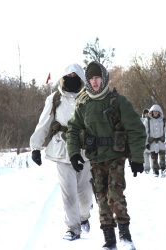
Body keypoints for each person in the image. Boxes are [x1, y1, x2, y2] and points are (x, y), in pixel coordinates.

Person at [66, 61, 146, 250]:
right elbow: (73, 129)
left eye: (97, 78)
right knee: (101, 197)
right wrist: (74, 153)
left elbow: (136, 129)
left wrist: (137, 158)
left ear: (104, 78)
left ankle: (125, 237)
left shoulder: (118, 101)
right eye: (91, 78)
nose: (94, 82)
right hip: (95, 158)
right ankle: (109, 240)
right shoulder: (84, 104)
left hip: (115, 156)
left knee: (114, 195)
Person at [30, 63, 93, 241]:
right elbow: (44, 122)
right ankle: (73, 228)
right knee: (69, 192)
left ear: (81, 79)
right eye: (69, 76)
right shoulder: (54, 98)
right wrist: (35, 147)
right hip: (62, 149)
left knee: (85, 193)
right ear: (63, 78)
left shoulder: (90, 98)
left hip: (84, 151)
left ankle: (84, 217)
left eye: (76, 77)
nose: (72, 80)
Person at [144, 104, 166, 177]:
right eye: (154, 112)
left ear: (159, 112)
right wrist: (146, 143)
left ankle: (163, 170)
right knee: (154, 158)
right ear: (151, 112)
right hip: (152, 142)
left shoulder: (163, 120)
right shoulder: (148, 120)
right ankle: (155, 171)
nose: (155, 113)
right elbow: (145, 132)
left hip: (161, 142)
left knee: (162, 158)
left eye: (157, 112)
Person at [141, 108, 151, 173]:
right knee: (145, 154)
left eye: (147, 113)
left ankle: (154, 167)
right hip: (144, 139)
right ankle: (146, 168)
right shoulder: (141, 120)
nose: (146, 114)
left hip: (150, 139)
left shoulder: (151, 120)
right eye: (145, 113)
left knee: (152, 154)